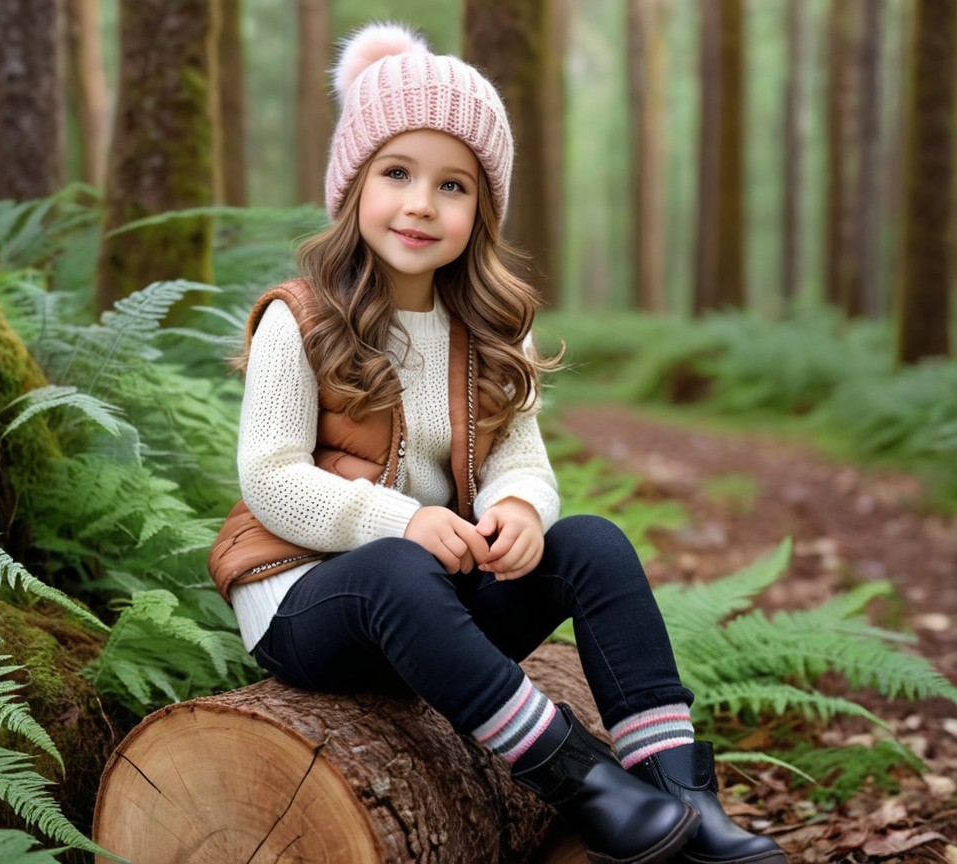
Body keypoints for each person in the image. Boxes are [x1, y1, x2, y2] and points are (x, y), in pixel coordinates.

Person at [208, 22, 787, 864]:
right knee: (398, 569)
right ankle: (584, 782)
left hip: (433, 607)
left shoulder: (483, 332)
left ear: (481, 209)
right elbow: (269, 476)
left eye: (453, 186)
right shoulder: (298, 319)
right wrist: (396, 521)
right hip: (310, 603)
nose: (420, 204)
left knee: (591, 542)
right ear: (353, 184)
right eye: (396, 173)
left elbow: (523, 459)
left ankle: (680, 796)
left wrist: (519, 508)